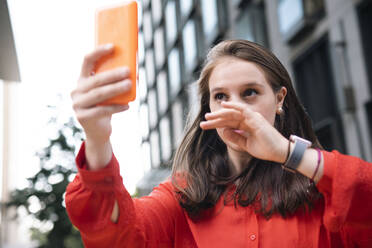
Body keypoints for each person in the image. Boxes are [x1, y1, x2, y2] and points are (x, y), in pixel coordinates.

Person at [66, 40, 372, 248]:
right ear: (209, 107)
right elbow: (120, 236)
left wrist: (287, 152)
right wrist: (96, 138)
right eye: (221, 96)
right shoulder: (182, 198)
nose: (233, 109)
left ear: (279, 99)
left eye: (250, 92)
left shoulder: (323, 192)